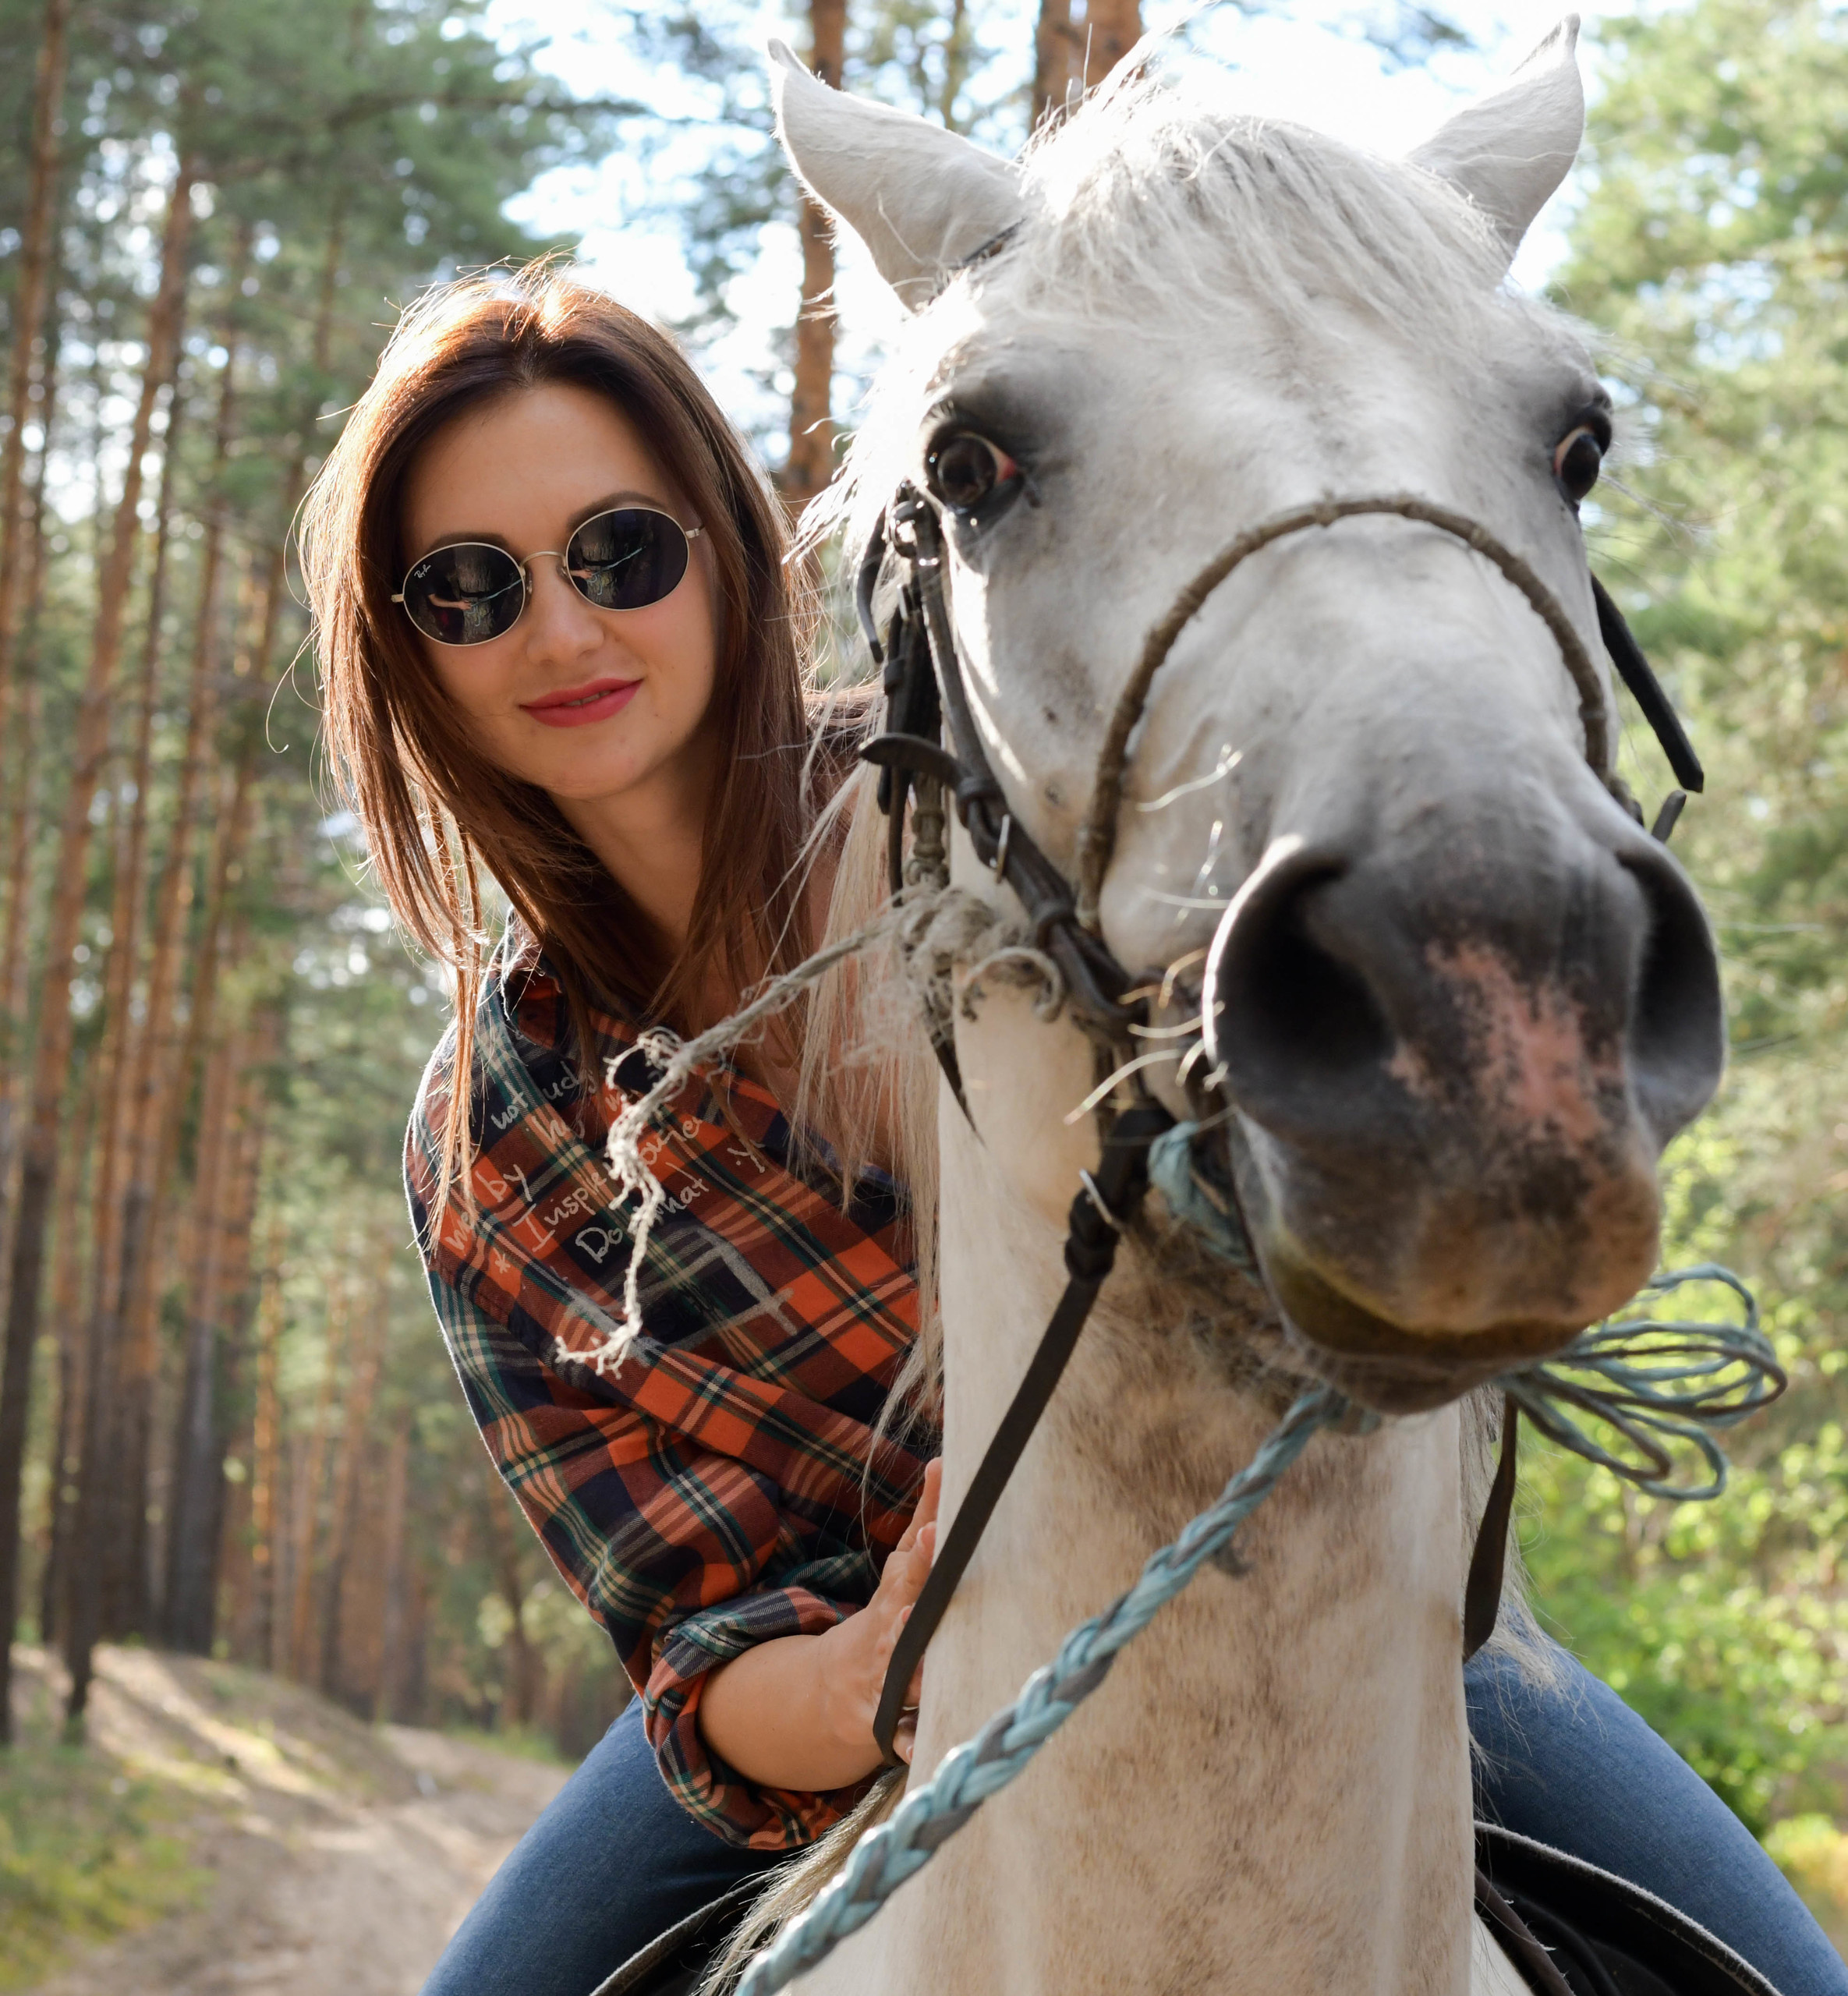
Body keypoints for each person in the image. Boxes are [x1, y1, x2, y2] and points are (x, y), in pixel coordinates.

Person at [300, 262, 1845, 1996]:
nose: (563, 631)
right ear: (406, 649)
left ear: (727, 550)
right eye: (470, 588)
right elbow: (677, 1610)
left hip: (1292, 1590)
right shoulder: (492, 1136)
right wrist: (872, 1672)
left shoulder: (1013, 845)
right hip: (838, 1732)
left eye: (620, 553)